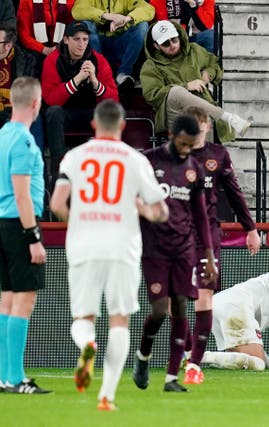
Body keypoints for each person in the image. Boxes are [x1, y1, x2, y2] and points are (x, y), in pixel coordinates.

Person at [49, 99, 168, 410]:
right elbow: (160, 210)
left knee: (83, 317)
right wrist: (143, 210)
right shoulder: (135, 159)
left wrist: (77, 221)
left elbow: (57, 204)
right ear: (123, 126)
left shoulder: (75, 157)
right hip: (123, 246)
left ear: (93, 124)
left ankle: (87, 345)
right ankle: (107, 396)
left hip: (84, 244)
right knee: (120, 321)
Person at [132, 114, 217, 393]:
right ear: (171, 135)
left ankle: (171, 378)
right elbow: (130, 197)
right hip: (154, 248)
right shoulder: (148, 161)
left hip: (183, 249)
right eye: (182, 144)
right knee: (159, 310)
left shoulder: (194, 169)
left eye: (190, 146)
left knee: (181, 307)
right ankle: (143, 355)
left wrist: (209, 255)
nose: (185, 150)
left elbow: (201, 217)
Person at [180, 105, 261, 385]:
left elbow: (235, 193)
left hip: (207, 238)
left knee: (205, 297)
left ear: (205, 126)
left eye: (200, 124)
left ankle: (193, 361)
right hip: (176, 236)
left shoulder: (218, 155)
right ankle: (188, 347)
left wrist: (250, 228)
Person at [0, 77, 49, 394]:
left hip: (2, 222)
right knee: (23, 301)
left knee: (5, 301)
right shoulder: (24, 142)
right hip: (19, 223)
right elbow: (21, 194)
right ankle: (15, 378)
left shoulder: (3, 135)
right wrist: (33, 237)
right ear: (35, 103)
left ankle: (5, 376)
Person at [141, 20, 249, 141]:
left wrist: (208, 74)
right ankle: (226, 116)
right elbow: (152, 95)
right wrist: (186, 86)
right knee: (176, 91)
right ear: (156, 46)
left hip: (202, 110)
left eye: (174, 39)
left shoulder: (194, 51)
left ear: (179, 36)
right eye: (165, 43)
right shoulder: (151, 66)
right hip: (174, 114)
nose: (172, 45)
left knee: (202, 123)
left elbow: (214, 64)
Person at [41, 20, 118, 184]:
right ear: (66, 40)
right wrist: (77, 80)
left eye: (85, 39)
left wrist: (96, 82)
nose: (81, 44)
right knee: (53, 112)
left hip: (89, 113)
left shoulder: (98, 60)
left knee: (112, 114)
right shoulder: (52, 60)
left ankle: (109, 168)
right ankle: (58, 171)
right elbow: (50, 99)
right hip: (64, 115)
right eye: (76, 39)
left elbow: (113, 100)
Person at [71, 0, 154, 89]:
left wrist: (127, 18)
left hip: (122, 46)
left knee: (142, 25)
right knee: (86, 25)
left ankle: (123, 74)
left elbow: (149, 9)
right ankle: (97, 73)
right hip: (97, 46)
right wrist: (106, 16)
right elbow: (77, 10)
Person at [0, 24, 45, 152]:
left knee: (34, 117)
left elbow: (28, 91)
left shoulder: (26, 60)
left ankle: (37, 167)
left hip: (16, 110)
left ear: (8, 45)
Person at [149, 0, 216, 53]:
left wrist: (194, 6)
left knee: (210, 35)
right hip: (170, 41)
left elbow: (207, 26)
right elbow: (161, 26)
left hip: (193, 40)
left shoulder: (205, 1)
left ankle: (208, 68)